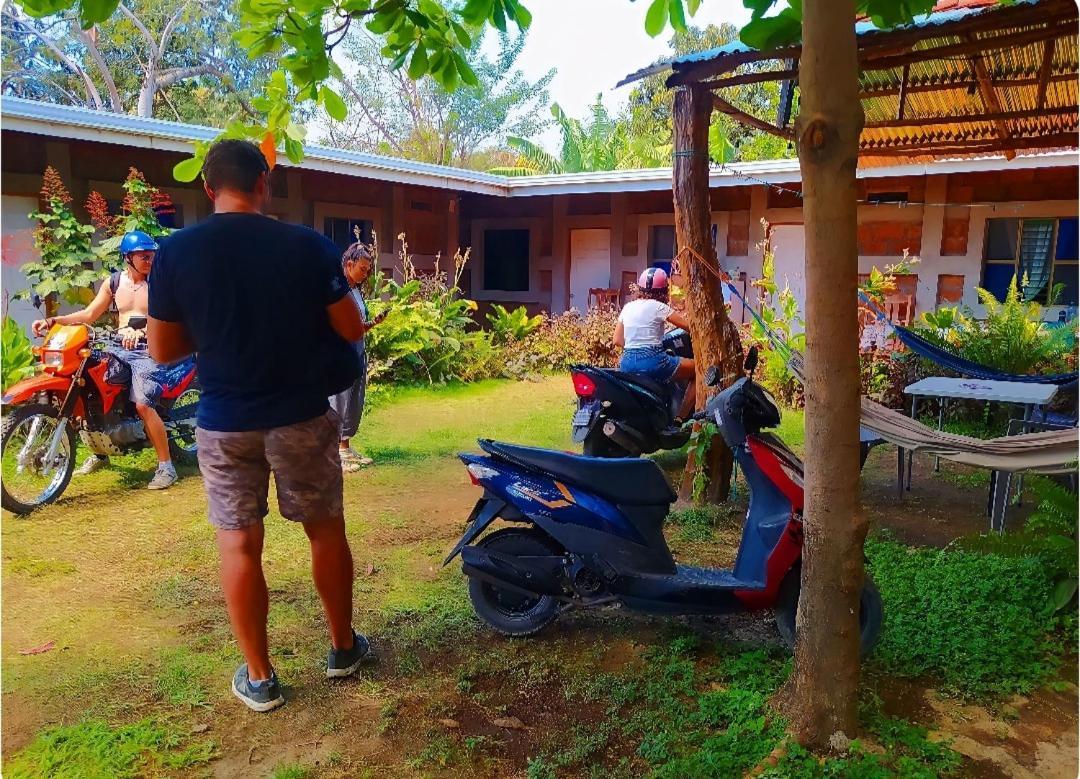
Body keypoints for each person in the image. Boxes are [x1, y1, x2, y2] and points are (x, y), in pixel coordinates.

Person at [146, 139, 374, 713]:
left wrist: (220, 330)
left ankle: (260, 676)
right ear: (263, 183)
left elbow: (163, 347)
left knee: (240, 544)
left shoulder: (176, 252)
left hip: (224, 422)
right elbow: (350, 328)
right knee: (325, 529)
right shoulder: (308, 246)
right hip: (300, 414)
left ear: (207, 187)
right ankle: (343, 648)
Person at [31, 230, 177, 490]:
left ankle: (166, 467)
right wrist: (54, 321)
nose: (149, 260)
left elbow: (167, 319)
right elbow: (88, 314)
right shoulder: (113, 283)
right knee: (90, 385)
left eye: (152, 255)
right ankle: (101, 451)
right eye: (143, 255)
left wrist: (141, 331)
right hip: (117, 346)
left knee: (143, 404)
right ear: (128, 257)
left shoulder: (159, 283)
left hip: (147, 350)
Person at [613, 267, 696, 421]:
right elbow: (691, 328)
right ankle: (680, 418)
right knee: (699, 370)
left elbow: (617, 340)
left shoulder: (628, 307)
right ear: (664, 290)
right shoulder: (659, 307)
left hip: (627, 362)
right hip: (653, 361)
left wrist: (636, 345)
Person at [330, 242, 386, 473]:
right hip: (340, 356)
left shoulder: (355, 290)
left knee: (354, 401)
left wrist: (373, 324)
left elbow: (356, 326)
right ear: (349, 264)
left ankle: (345, 447)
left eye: (367, 270)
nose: (365, 274)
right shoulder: (336, 290)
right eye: (362, 269)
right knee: (338, 402)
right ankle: (334, 453)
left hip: (357, 352)